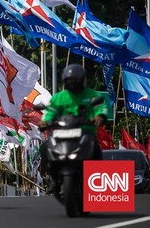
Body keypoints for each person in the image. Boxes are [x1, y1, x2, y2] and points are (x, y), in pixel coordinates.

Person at [39, 64, 108, 192]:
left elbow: (101, 108)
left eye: (75, 81)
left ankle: (98, 181)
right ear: (65, 82)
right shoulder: (59, 97)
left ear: (82, 80)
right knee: (45, 147)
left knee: (96, 150)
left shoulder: (92, 94)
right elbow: (50, 112)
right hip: (62, 134)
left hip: (85, 132)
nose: (73, 84)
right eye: (70, 81)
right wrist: (44, 121)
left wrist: (99, 116)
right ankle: (54, 179)